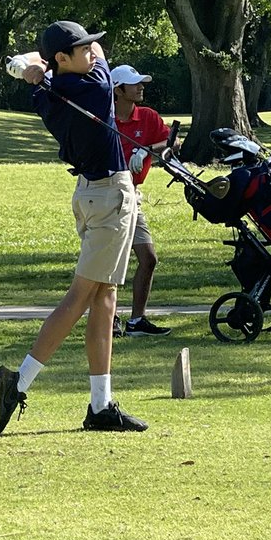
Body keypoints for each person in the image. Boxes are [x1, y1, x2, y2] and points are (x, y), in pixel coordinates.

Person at [0, 20, 147, 434]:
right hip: (110, 196)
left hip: (92, 194)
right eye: (84, 49)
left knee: (105, 297)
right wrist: (39, 67)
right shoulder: (95, 86)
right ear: (63, 58)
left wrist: (34, 71)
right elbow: (105, 68)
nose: (94, 52)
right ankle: (18, 381)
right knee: (82, 295)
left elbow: (47, 78)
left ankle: (101, 405)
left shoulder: (47, 92)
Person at [110, 64, 174, 338]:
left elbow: (172, 140)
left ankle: (136, 321)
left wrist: (147, 149)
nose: (140, 87)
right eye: (134, 83)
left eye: (140, 83)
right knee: (110, 263)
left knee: (148, 258)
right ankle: (109, 319)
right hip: (108, 194)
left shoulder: (147, 116)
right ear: (117, 90)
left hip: (132, 197)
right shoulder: (104, 119)